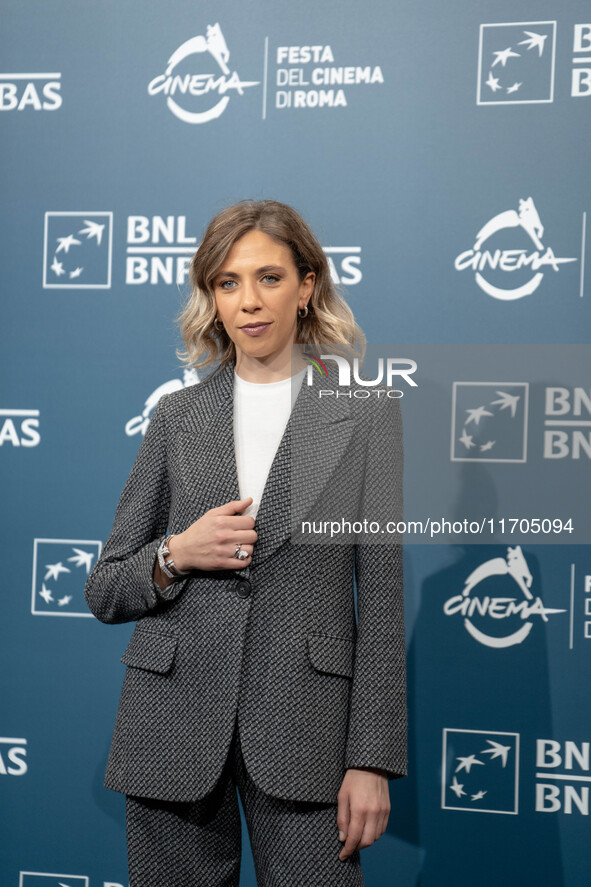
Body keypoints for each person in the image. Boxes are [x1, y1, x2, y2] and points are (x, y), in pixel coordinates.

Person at [85, 199, 406, 886]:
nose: (248, 301)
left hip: (307, 731)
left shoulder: (366, 415)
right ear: (210, 296)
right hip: (170, 726)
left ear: (306, 286)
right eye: (227, 282)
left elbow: (380, 601)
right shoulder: (176, 415)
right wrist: (176, 553)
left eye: (267, 277)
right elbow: (105, 585)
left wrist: (370, 757)